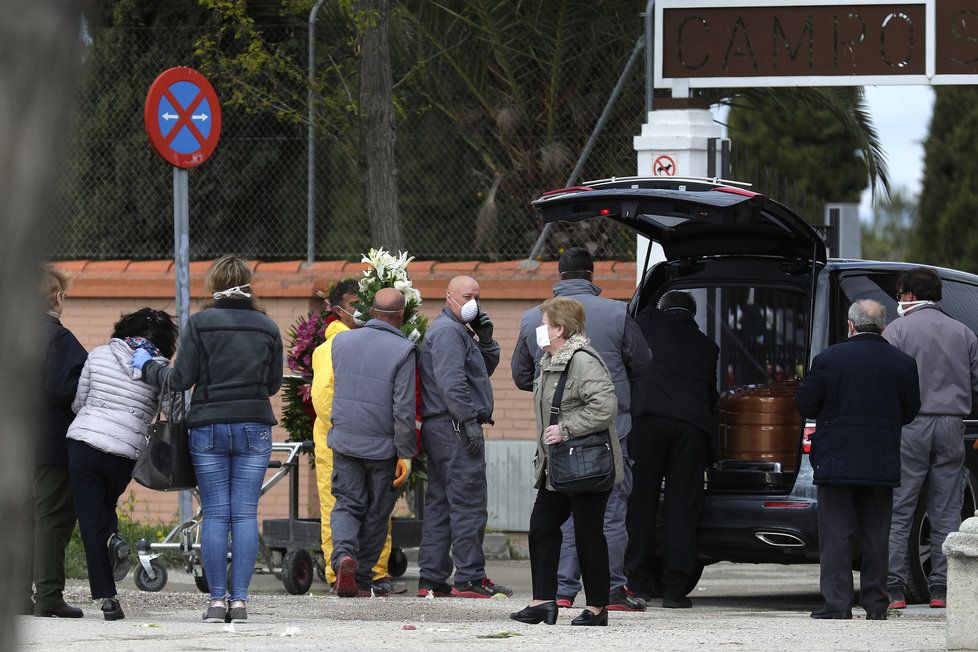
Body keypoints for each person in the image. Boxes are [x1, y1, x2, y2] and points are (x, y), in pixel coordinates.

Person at [133, 256, 283, 624]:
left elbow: (180, 379)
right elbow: (274, 385)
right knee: (245, 513)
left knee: (215, 513)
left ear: (212, 285)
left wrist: (147, 366)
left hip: (209, 425)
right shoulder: (267, 327)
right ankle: (241, 602)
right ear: (248, 284)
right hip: (253, 425)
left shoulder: (200, 324)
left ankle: (217, 602)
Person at [511, 246, 650, 610]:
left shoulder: (531, 319)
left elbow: (521, 375)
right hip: (609, 435)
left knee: (566, 517)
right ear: (592, 274)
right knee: (607, 515)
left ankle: (562, 591)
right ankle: (612, 592)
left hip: (557, 435)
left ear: (559, 275)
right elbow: (643, 362)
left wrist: (554, 400)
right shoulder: (619, 313)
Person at [795, 299, 920, 620]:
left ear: (850, 326)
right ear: (883, 326)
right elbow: (910, 410)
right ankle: (876, 604)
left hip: (836, 460)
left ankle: (837, 604)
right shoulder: (903, 363)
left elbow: (806, 405)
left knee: (836, 534)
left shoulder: (828, 359)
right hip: (880, 459)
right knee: (877, 534)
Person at [510, 296, 623, 627]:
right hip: (557, 466)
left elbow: (605, 407)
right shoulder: (551, 359)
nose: (539, 330)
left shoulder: (583, 361)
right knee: (542, 527)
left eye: (544, 324)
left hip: (585, 464)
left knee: (589, 534)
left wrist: (566, 429)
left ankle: (598, 608)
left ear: (559, 328)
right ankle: (543, 601)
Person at [67, 308, 178, 621]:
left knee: (91, 520)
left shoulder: (99, 354)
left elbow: (78, 402)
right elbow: (171, 411)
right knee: (105, 506)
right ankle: (111, 537)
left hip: (84, 443)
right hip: (124, 452)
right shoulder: (158, 368)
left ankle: (107, 599)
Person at [883, 267, 978, 610]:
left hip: (911, 425)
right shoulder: (964, 332)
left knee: (900, 507)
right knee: (946, 509)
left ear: (909, 295)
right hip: (953, 424)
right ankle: (941, 588)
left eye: (899, 295)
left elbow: (886, 381)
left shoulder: (896, 330)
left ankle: (894, 589)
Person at [318, 288, 418, 597]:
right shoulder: (403, 350)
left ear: (369, 311)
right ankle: (360, 578)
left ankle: (343, 556)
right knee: (377, 512)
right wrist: (406, 453)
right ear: (400, 316)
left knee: (346, 504)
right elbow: (403, 407)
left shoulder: (341, 342)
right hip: (382, 447)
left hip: (345, 441)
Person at [417, 275, 511, 598]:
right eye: (468, 295)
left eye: (477, 295)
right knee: (469, 501)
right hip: (454, 427)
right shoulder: (446, 332)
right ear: (450, 297)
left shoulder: (458, 332)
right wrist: (468, 420)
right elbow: (453, 383)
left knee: (441, 503)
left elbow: (480, 370)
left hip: (445, 426)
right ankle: (470, 577)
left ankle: (431, 578)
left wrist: (486, 341)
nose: (474, 301)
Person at [624, 290, 719, 609]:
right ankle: (675, 591)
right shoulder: (707, 346)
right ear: (693, 315)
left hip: (647, 420)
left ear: (663, 308)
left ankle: (637, 582)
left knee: (641, 502)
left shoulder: (644, 325)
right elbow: (712, 395)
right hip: (691, 427)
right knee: (683, 507)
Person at [24, 266, 88, 618]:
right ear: (57, 298)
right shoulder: (58, 339)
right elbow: (64, 388)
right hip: (49, 442)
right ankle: (48, 596)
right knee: (52, 518)